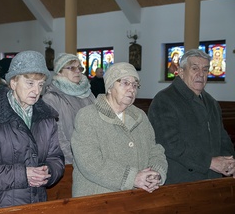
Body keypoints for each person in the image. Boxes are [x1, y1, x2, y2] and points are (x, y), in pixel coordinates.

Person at [0, 51, 64, 209]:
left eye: (41, 84)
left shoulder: (46, 117)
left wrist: (47, 172)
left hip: (36, 203)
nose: (36, 91)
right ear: (13, 83)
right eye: (30, 83)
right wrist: (23, 174)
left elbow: (56, 157)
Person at [71, 62, 167, 197]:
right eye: (125, 83)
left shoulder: (140, 116)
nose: (131, 89)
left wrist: (156, 173)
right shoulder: (87, 116)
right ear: (110, 87)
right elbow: (90, 162)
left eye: (135, 85)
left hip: (137, 198)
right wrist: (132, 178)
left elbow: (155, 150)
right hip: (98, 199)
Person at [148, 49, 235, 184]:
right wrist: (209, 162)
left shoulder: (211, 102)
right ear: (182, 72)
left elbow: (222, 137)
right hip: (181, 180)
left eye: (205, 70)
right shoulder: (165, 100)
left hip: (212, 178)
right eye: (195, 68)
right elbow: (170, 144)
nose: (201, 74)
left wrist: (230, 161)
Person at [42, 53, 95, 164]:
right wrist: (72, 161)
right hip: (69, 161)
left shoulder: (88, 94)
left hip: (92, 159)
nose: (77, 71)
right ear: (59, 71)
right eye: (71, 68)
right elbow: (57, 136)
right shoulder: (51, 98)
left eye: (80, 68)